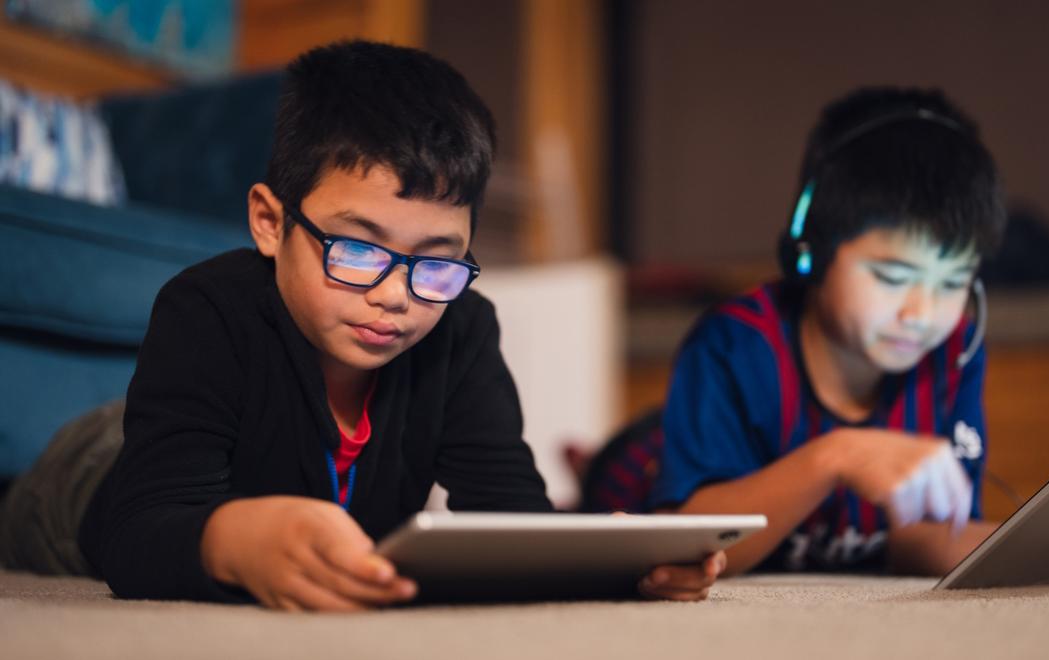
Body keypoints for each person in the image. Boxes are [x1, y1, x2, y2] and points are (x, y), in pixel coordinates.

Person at [0, 41, 722, 609]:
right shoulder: (206, 309)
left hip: (214, 452)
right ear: (270, 222)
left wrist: (613, 562)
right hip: (90, 477)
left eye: (437, 261)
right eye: (356, 251)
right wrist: (234, 537)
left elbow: (509, 516)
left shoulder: (461, 328)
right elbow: (135, 533)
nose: (397, 296)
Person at [582, 87, 1049, 578]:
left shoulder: (952, 348)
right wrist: (835, 457)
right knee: (611, 480)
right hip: (641, 473)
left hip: (829, 536)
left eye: (953, 282)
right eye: (893, 276)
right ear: (808, 252)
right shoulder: (736, 344)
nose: (923, 312)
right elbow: (693, 549)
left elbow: (924, 540)